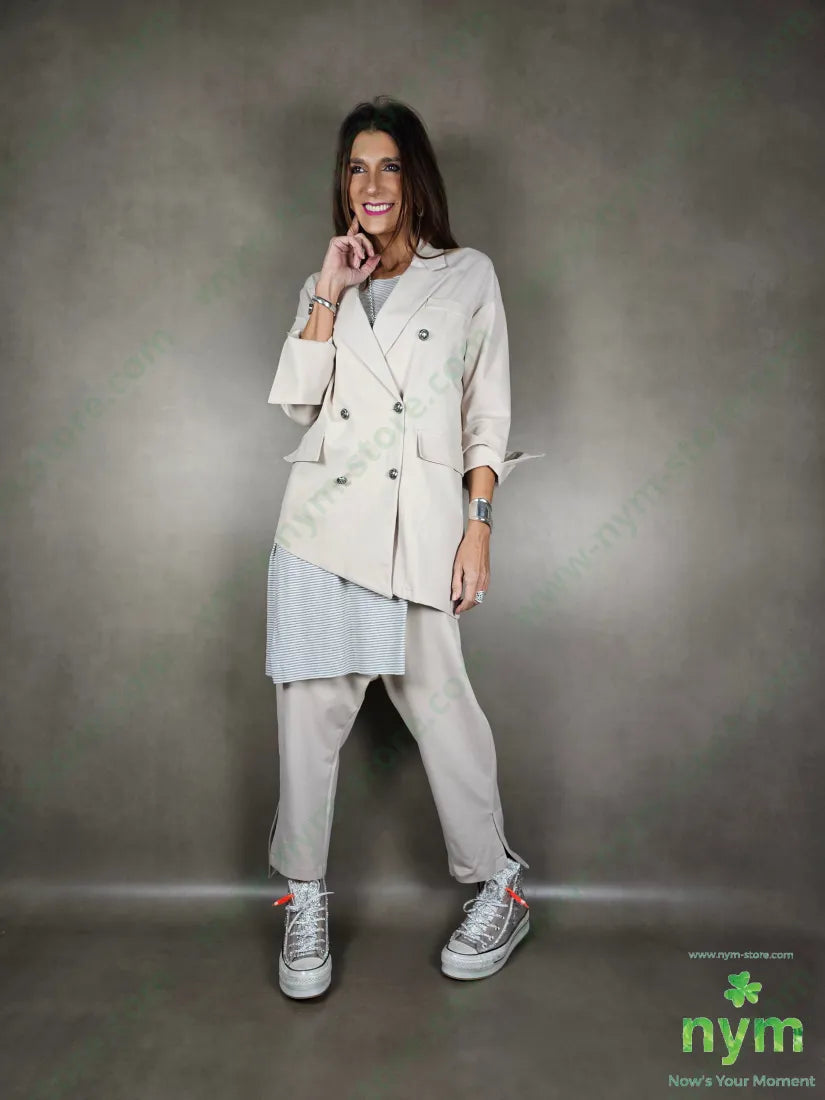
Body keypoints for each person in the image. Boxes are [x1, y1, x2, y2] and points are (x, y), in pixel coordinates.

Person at [264, 96, 544, 1000]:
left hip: (414, 527)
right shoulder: (330, 282)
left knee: (444, 709)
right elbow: (298, 400)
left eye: (387, 165)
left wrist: (478, 527)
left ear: (414, 177)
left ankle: (498, 886)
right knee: (306, 720)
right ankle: (304, 896)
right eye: (355, 167)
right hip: (319, 529)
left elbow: (485, 415)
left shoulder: (466, 276)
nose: (370, 183)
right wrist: (327, 287)